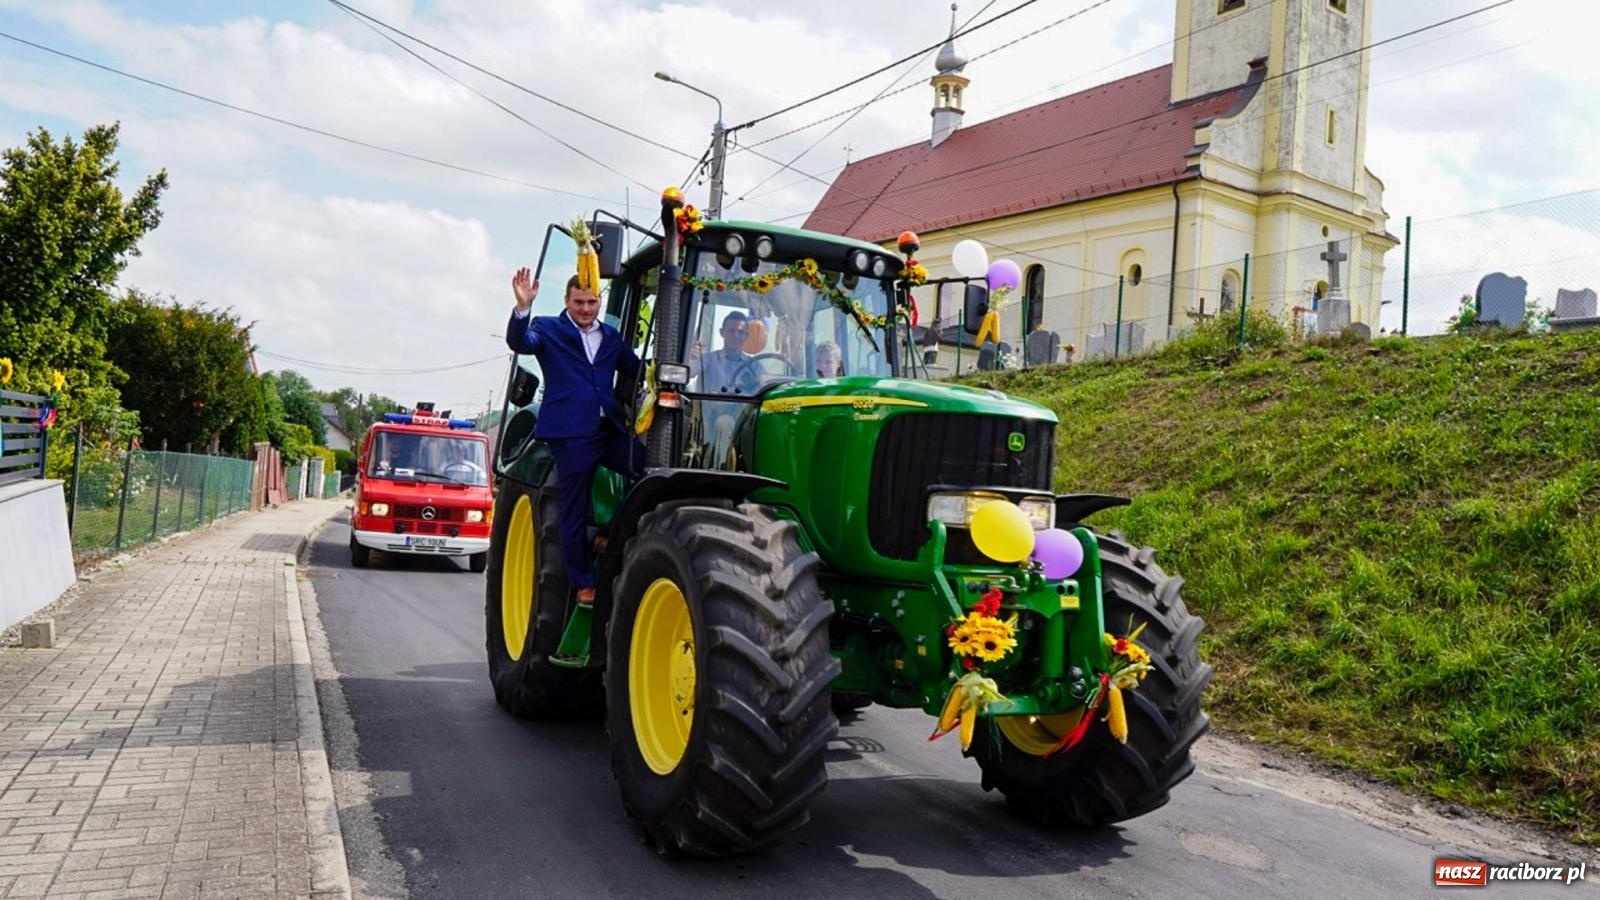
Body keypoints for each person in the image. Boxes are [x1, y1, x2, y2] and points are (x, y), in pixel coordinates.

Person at [506, 268, 642, 605]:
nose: (585, 308)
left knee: (648, 467)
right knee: (573, 508)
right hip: (570, 435)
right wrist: (523, 307)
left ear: (600, 302)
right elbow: (520, 342)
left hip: (606, 430)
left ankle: (610, 533)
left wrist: (687, 362)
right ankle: (584, 583)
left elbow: (638, 368)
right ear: (566, 300)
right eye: (579, 302)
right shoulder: (548, 328)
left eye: (591, 302)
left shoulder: (610, 337)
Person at [691, 311, 760, 395]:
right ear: (722, 332)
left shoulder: (755, 366)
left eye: (741, 332)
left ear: (746, 336)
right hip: (710, 403)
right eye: (731, 331)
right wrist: (690, 357)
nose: (736, 336)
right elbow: (686, 373)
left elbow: (767, 385)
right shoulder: (707, 360)